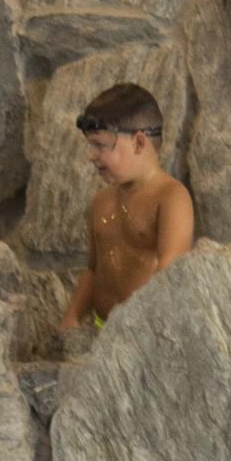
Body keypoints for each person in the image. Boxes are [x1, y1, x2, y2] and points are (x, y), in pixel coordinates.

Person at [66, 83, 193, 325]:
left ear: (139, 143)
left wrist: (136, 336)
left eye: (99, 145)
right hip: (102, 328)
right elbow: (93, 270)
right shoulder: (101, 202)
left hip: (143, 332)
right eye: (90, 145)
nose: (90, 155)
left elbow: (170, 276)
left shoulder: (171, 198)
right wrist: (71, 318)